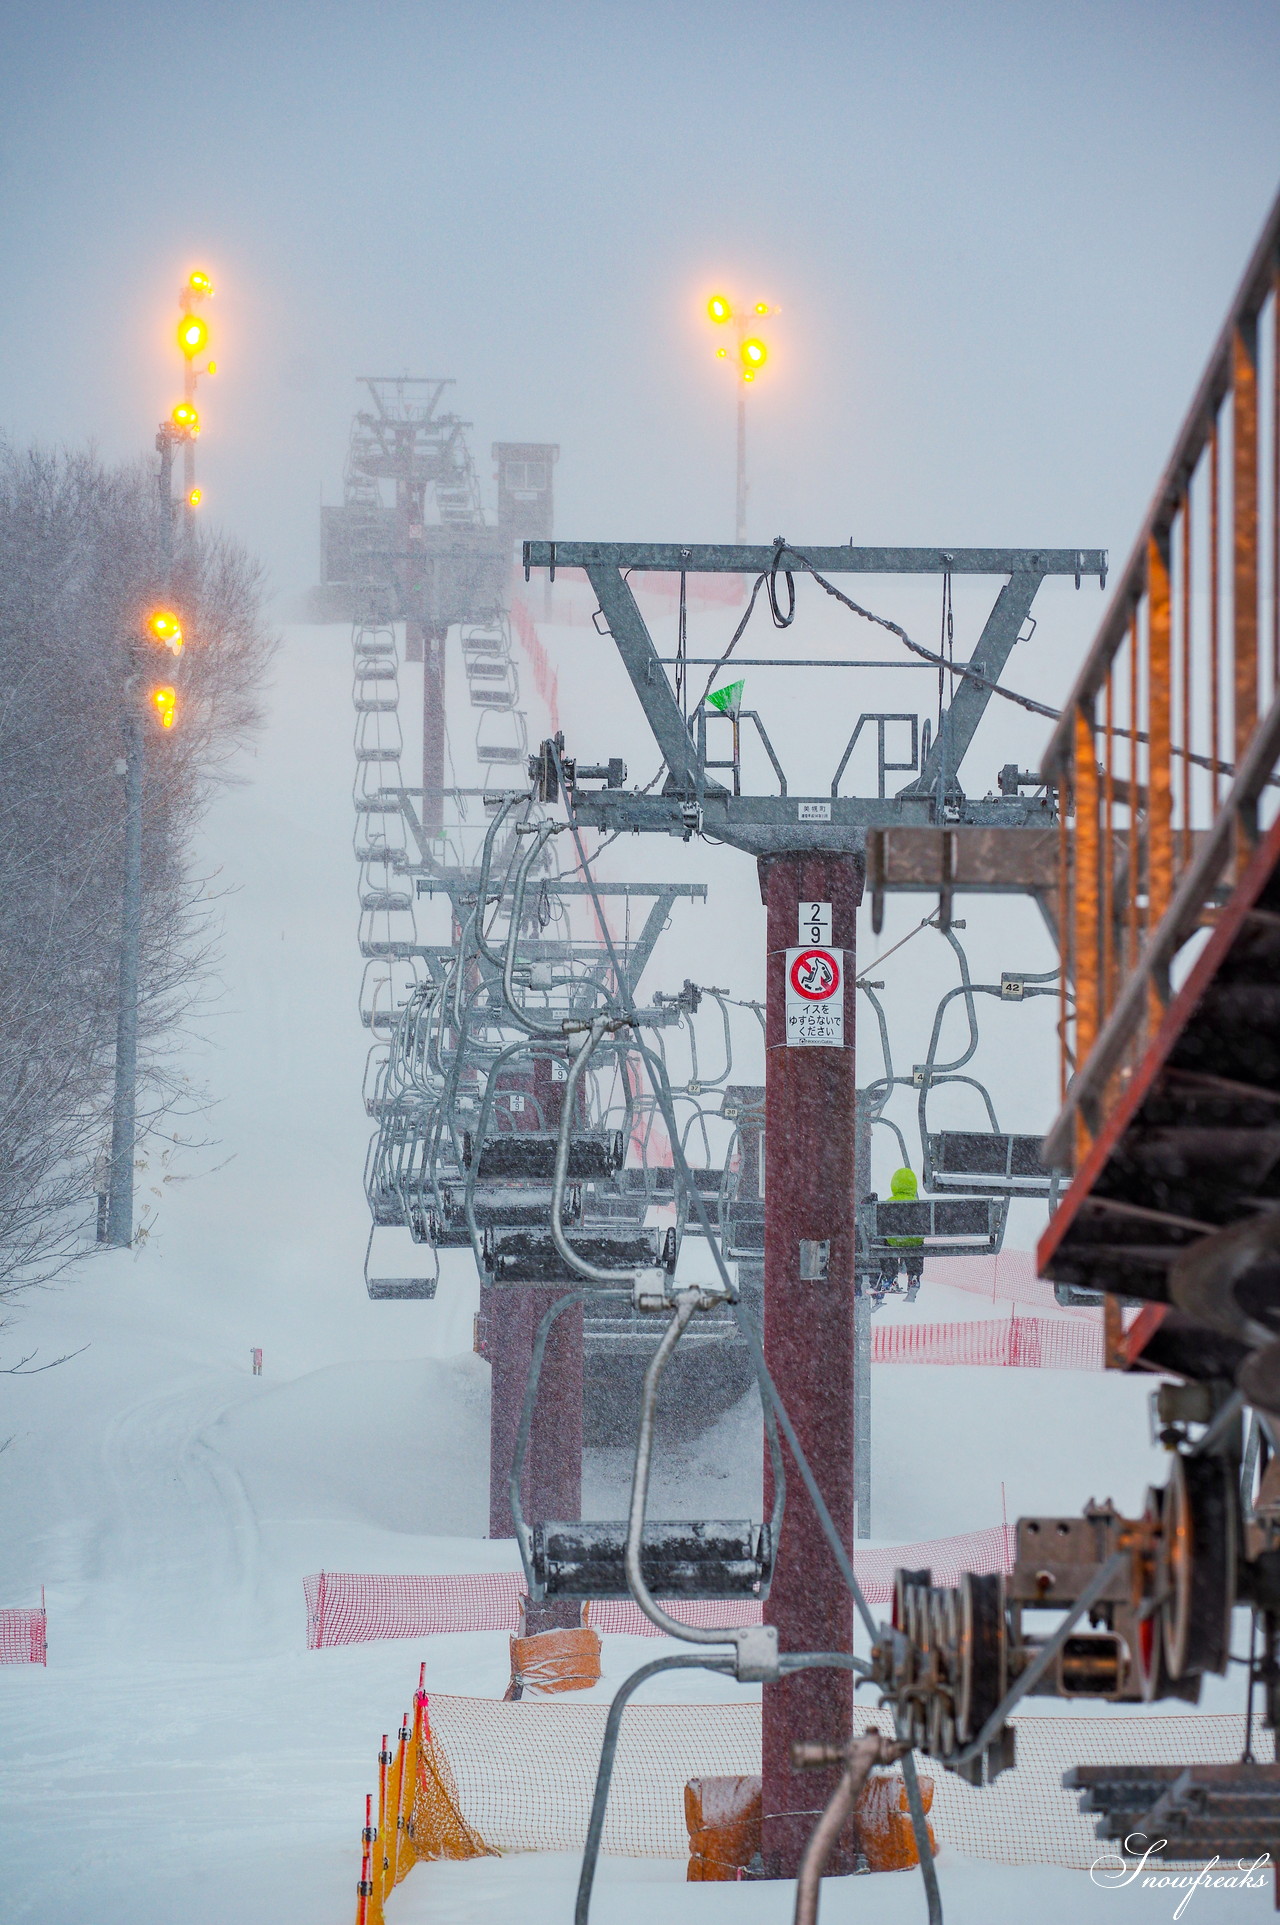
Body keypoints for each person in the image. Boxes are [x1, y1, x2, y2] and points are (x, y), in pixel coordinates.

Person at [881, 1166, 925, 1303]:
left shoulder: (888, 1203)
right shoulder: (919, 1205)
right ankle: (914, 1275)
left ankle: (890, 1277)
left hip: (893, 1241)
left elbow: (881, 1225)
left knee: (886, 1246)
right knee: (916, 1245)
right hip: (914, 1242)